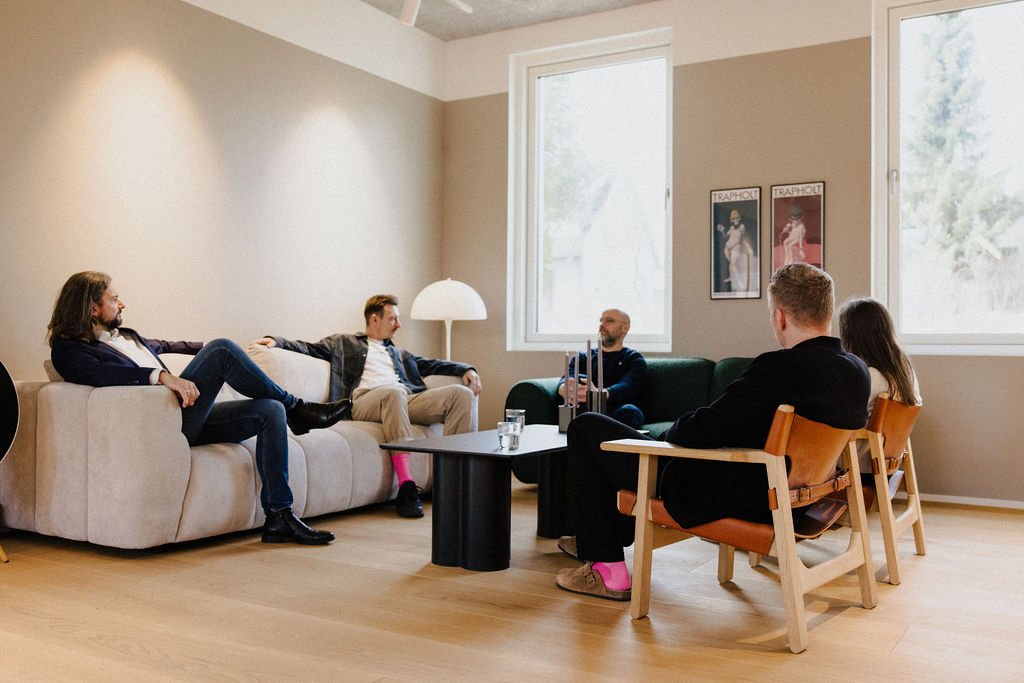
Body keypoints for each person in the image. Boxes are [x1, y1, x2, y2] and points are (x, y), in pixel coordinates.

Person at [554, 263, 870, 601]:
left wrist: (665, 436)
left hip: (726, 495)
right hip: (796, 500)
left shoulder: (779, 367)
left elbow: (702, 429)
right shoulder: (857, 370)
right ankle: (598, 537)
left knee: (586, 427)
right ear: (826, 310)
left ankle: (607, 569)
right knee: (626, 441)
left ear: (779, 317)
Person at [48, 272, 351, 545]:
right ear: (93, 308)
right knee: (221, 349)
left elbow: (172, 346)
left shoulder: (128, 336)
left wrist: (231, 356)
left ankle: (279, 515)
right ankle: (298, 409)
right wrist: (161, 376)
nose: (122, 304)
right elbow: (99, 375)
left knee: (270, 410)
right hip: (162, 423)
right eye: (114, 299)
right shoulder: (69, 349)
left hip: (187, 416)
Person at [251, 294, 482, 519]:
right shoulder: (343, 343)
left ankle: (455, 485)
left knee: (461, 394)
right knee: (393, 392)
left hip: (404, 398)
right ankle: (406, 485)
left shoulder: (399, 353)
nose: (398, 324)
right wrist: (276, 341)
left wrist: (466, 369)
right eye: (393, 318)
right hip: (365, 400)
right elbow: (309, 348)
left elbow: (433, 364)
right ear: (374, 319)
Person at [838, 297, 921, 472]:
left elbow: (843, 416)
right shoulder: (906, 371)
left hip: (861, 466)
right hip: (886, 464)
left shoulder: (872, 377)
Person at [557, 309, 648, 429]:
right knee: (578, 385)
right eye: (601, 321)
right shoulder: (582, 358)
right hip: (586, 409)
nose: (602, 325)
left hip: (617, 411)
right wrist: (565, 389)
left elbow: (628, 386)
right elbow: (567, 378)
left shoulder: (634, 359)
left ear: (624, 328)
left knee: (631, 412)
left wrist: (599, 394)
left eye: (609, 321)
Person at [716, 209, 755, 290]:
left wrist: (749, 248)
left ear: (739, 218)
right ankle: (731, 277)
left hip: (736, 247)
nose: (735, 220)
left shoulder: (742, 227)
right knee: (731, 264)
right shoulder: (731, 227)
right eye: (733, 218)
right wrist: (722, 231)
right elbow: (725, 237)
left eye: (737, 218)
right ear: (731, 220)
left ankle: (740, 282)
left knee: (733, 263)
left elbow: (744, 238)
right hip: (727, 248)